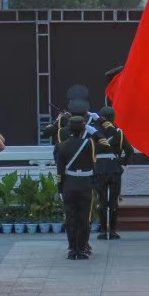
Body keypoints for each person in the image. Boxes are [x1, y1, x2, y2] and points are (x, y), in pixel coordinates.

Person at [56, 105, 102, 259]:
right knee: (84, 218)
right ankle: (81, 248)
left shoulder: (61, 146)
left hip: (68, 184)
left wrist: (60, 188)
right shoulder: (89, 144)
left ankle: (72, 248)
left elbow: (60, 170)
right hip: (85, 184)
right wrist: (93, 129)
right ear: (83, 129)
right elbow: (103, 143)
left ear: (69, 129)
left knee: (70, 218)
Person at [94, 106, 133, 241]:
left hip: (99, 169)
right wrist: (120, 163)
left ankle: (103, 231)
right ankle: (113, 231)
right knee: (114, 201)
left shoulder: (94, 133)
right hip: (114, 169)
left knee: (101, 201)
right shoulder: (118, 133)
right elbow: (129, 151)